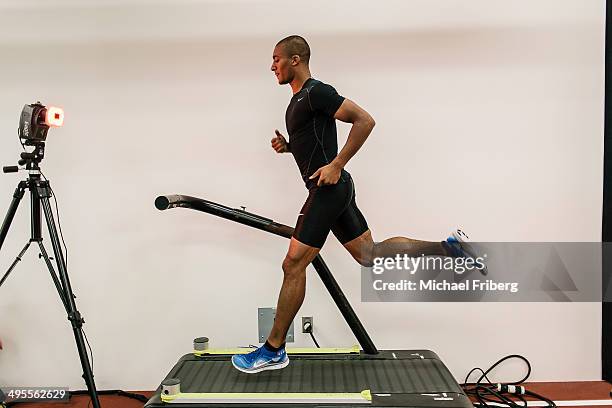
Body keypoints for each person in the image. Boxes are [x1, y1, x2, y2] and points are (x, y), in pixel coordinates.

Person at [231, 35, 482, 374]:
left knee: (293, 265)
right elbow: (315, 143)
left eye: (276, 58)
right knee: (369, 255)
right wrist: (290, 148)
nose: (271, 65)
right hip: (335, 190)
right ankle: (448, 246)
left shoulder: (316, 92)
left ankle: (274, 349)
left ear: (295, 59)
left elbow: (365, 120)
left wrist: (337, 165)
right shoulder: (298, 101)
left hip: (328, 190)